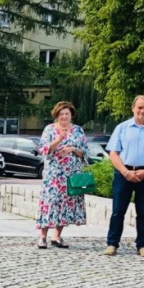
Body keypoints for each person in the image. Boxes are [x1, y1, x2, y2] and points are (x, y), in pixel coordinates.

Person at [104, 95, 144, 257]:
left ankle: (143, 245)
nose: (142, 111)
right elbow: (113, 153)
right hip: (123, 173)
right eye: (139, 107)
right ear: (133, 108)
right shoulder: (122, 127)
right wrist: (125, 172)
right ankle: (112, 244)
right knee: (118, 211)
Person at [36, 102, 88, 248]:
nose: (64, 116)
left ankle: (57, 236)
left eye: (67, 114)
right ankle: (43, 236)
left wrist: (72, 149)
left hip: (72, 173)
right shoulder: (50, 129)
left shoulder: (78, 130)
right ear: (57, 115)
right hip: (54, 174)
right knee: (50, 202)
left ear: (71, 115)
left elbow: (85, 151)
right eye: (61, 114)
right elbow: (43, 149)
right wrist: (59, 139)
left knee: (66, 204)